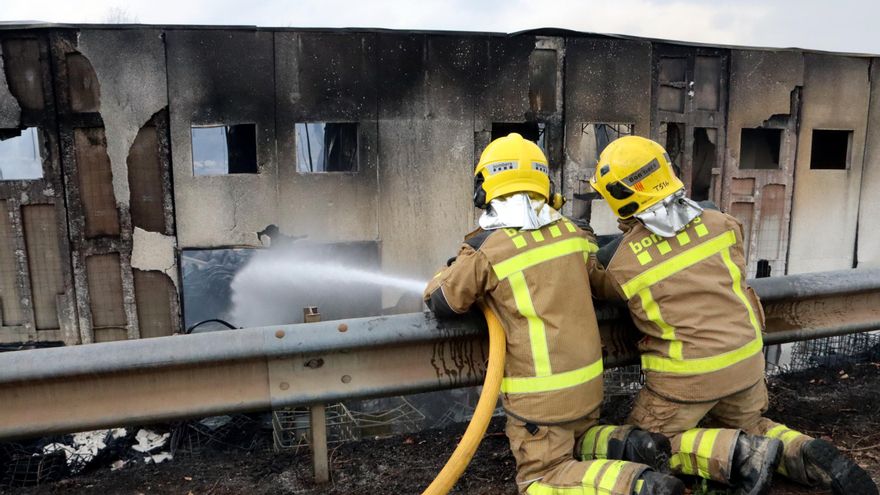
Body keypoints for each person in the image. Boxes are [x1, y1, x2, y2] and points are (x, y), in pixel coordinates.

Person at [588, 135, 878, 495]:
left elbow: (598, 283)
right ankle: (801, 450)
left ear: (618, 195)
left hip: (686, 380)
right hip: (746, 365)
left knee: (645, 444)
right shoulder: (723, 224)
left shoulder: (622, 262)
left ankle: (738, 453)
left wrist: (588, 243)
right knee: (752, 424)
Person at [424, 133, 684, 495]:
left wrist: (449, 268)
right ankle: (632, 445)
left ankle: (639, 486)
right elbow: (601, 283)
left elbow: (442, 300)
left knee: (539, 480)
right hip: (589, 390)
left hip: (541, 404)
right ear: (544, 185)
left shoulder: (486, 250)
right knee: (578, 440)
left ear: (485, 188)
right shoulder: (573, 235)